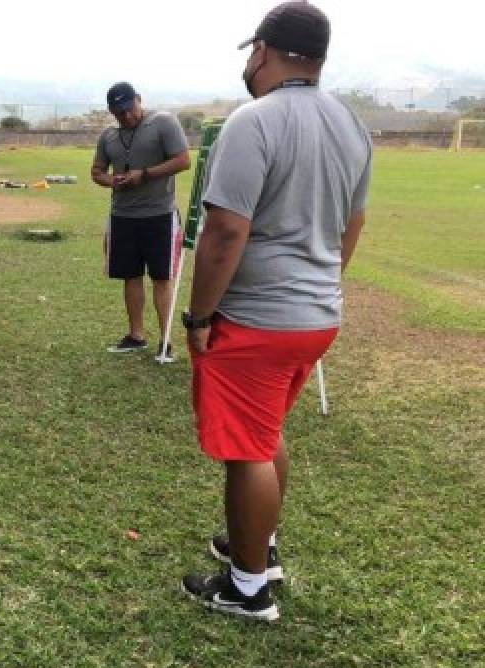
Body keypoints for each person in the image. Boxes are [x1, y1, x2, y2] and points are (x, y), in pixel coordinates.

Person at [179, 1, 371, 622]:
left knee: (247, 450)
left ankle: (247, 587)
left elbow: (225, 232)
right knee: (265, 435)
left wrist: (198, 317)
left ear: (262, 51)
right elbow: (354, 221)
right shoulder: (352, 125)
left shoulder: (252, 121)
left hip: (257, 320)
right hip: (316, 317)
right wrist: (318, 286)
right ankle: (258, 547)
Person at [91, 82, 191, 356]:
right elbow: (97, 171)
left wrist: (144, 174)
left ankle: (166, 341)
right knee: (130, 276)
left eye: (129, 109)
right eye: (119, 113)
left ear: (138, 99)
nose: (126, 117)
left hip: (159, 215)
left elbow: (183, 160)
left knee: (162, 278)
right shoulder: (109, 136)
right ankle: (136, 336)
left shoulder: (163, 123)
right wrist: (113, 181)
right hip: (123, 217)